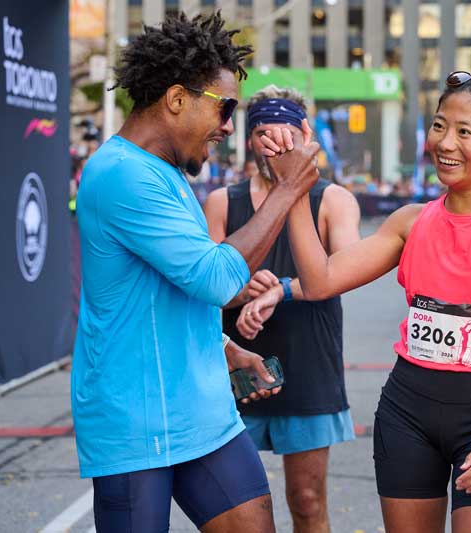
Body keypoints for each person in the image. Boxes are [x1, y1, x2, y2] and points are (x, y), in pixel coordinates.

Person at [245, 71, 471, 532]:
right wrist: (294, 188)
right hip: (409, 412)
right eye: (439, 126)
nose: (445, 142)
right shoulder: (409, 221)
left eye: (464, 132)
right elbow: (320, 283)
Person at [72, 13, 320, 533]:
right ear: (177, 99)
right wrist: (287, 189)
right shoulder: (120, 174)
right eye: (224, 107)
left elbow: (172, 288)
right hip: (136, 423)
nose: (229, 125)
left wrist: (225, 349)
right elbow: (215, 279)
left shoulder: (165, 173)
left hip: (202, 412)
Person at [203, 85, 361, 533]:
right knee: (234, 509)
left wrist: (280, 291)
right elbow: (204, 287)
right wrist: (241, 289)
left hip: (308, 361)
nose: (276, 142)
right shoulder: (221, 202)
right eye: (264, 132)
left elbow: (345, 271)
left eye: (286, 132)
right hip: (236, 367)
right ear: (250, 139)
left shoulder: (333, 199)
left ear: (303, 136)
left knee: (307, 501)